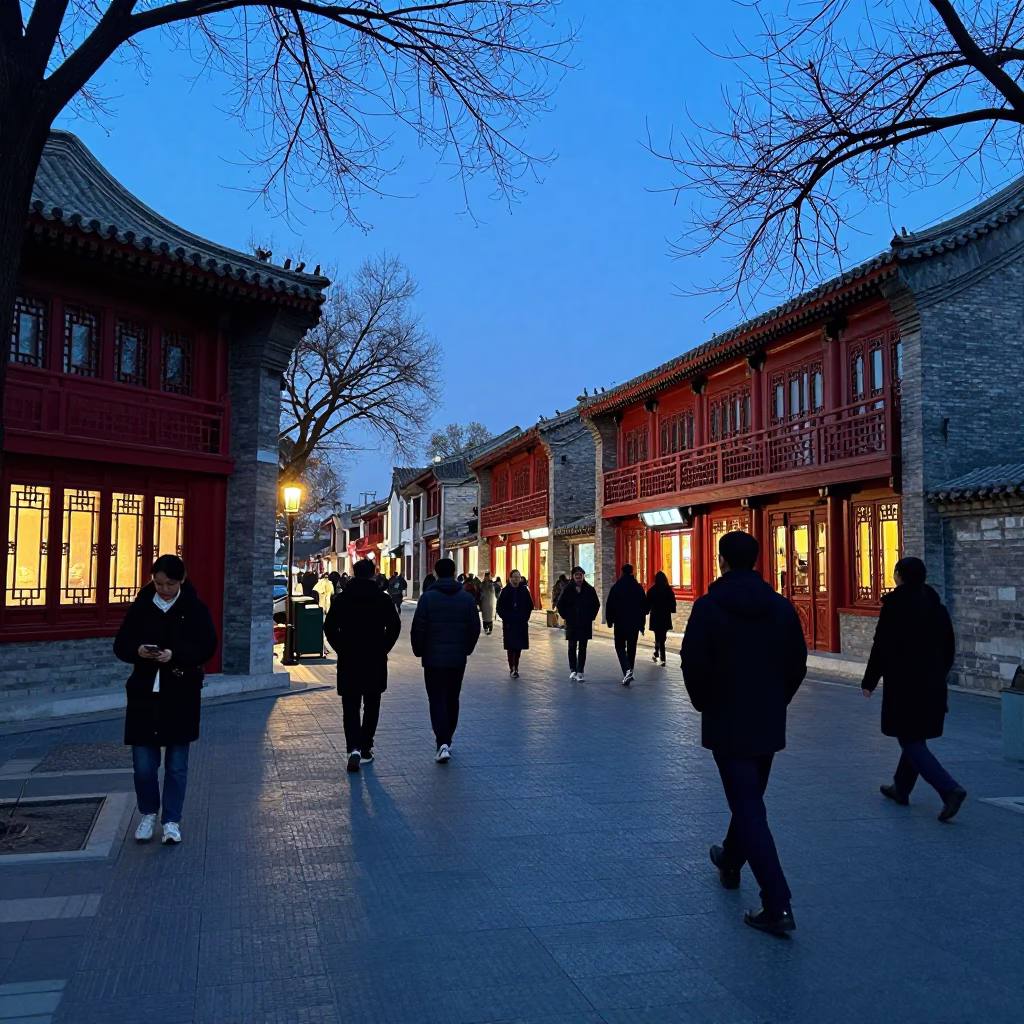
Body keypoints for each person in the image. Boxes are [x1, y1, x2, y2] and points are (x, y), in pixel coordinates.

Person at [681, 531, 807, 937]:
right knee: (749, 797)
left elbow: (692, 664)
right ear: (756, 561)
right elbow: (797, 664)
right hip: (768, 720)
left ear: (722, 561)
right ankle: (730, 858)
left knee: (749, 805)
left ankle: (777, 902)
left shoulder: (708, 608)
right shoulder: (782, 609)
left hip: (727, 718)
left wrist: (706, 702)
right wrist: (777, 699)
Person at [113, 555, 218, 846]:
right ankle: (148, 814)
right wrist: (140, 651)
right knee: (144, 765)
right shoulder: (143, 606)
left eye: (170, 584)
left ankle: (171, 820)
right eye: (158, 583)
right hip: (145, 694)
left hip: (180, 693)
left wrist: (177, 655)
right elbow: (120, 645)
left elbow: (208, 644)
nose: (164, 589)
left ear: (182, 580)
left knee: (176, 764)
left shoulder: (194, 608)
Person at [861, 556, 966, 822]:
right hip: (932, 683)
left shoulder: (895, 607)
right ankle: (901, 788)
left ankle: (948, 788)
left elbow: (881, 646)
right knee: (915, 735)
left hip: (904, 684)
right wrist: (938, 674)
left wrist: (869, 681)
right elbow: (949, 648)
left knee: (910, 738)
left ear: (899, 575)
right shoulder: (937, 607)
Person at [324, 558, 402, 773]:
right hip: (374, 658)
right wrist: (383, 647)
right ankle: (366, 747)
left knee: (350, 705)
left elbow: (329, 627)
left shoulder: (341, 599)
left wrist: (341, 647)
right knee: (372, 704)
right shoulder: (382, 599)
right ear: (373, 574)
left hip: (349, 658)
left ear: (354, 573)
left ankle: (353, 748)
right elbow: (394, 626)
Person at [410, 558, 481, 763]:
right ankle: (447, 740)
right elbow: (474, 627)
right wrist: (466, 649)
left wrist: (419, 650)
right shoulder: (467, 599)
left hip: (433, 658)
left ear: (436, 573)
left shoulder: (428, 598)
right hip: (457, 658)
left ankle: (441, 741)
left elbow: (418, 627)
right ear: (454, 572)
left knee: (436, 699)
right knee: (452, 698)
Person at [605, 564, 648, 686]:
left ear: (622, 572)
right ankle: (630, 669)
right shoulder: (638, 588)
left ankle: (627, 669)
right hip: (634, 623)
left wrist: (609, 620)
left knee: (619, 646)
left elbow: (610, 605)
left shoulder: (617, 587)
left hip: (620, 622)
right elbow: (644, 607)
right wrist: (641, 622)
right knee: (632, 647)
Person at [556, 566, 600, 682]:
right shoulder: (567, 590)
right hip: (571, 623)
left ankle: (580, 671)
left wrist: (591, 617)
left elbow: (596, 604)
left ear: (583, 576)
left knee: (583, 647)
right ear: (573, 576)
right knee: (571, 646)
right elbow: (560, 604)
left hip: (585, 623)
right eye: (577, 575)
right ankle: (573, 670)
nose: (579, 577)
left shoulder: (589, 589)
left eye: (581, 575)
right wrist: (566, 616)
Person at [496, 570, 534, 677]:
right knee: (510, 646)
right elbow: (499, 608)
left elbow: (530, 606)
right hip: (509, 623)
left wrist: (525, 617)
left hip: (521, 622)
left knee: (518, 646)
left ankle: (516, 666)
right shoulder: (505, 591)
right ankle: (512, 667)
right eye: (514, 577)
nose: (516, 579)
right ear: (510, 578)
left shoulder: (524, 590)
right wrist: (506, 617)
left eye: (518, 577)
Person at [646, 571, 677, 667]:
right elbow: (673, 603)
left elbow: (648, 603)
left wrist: (646, 610)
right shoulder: (668, 589)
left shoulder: (652, 590)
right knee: (663, 635)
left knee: (657, 634)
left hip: (656, 615)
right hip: (665, 615)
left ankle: (657, 650)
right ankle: (662, 656)